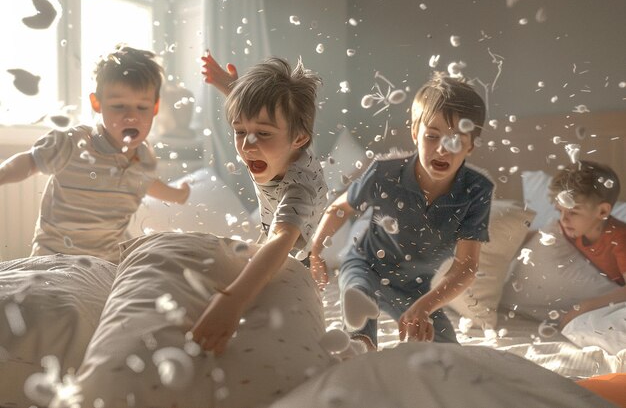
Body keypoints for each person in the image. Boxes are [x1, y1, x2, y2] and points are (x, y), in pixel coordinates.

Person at [309, 72, 494, 350]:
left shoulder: (476, 191)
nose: (443, 149)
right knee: (359, 309)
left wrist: (425, 306)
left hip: (414, 287)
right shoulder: (384, 174)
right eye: (432, 136)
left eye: (456, 140)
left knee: (448, 353)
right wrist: (315, 251)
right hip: (365, 266)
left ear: (471, 145)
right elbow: (340, 207)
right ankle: (360, 350)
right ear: (414, 133)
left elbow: (466, 267)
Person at [0, 45, 190, 264]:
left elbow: (145, 182)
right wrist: (3, 173)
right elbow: (30, 161)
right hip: (54, 257)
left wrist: (176, 195)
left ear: (155, 107)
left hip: (107, 262)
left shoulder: (144, 156)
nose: (131, 117)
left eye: (142, 107)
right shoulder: (73, 142)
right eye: (119, 106)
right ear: (97, 103)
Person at [191, 53, 328, 354]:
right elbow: (256, 117)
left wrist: (232, 299)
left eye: (263, 134)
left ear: (299, 139)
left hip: (297, 255)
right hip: (271, 227)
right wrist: (233, 89)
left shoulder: (299, 188)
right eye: (240, 131)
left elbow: (281, 240)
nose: (247, 145)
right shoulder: (274, 142)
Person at [548, 160, 626, 328]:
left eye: (573, 212)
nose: (563, 219)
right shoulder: (571, 228)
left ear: (602, 211)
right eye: (559, 211)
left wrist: (585, 307)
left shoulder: (620, 238)